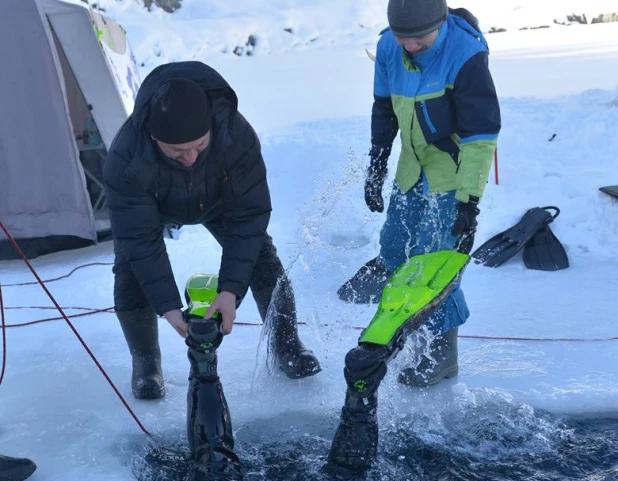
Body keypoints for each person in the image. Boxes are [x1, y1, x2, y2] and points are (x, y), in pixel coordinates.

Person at [103, 62, 321, 402]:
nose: (190, 157)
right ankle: (145, 363)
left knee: (262, 259)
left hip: (219, 200)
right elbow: (140, 241)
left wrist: (231, 290)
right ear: (153, 137)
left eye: (199, 147)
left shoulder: (235, 136)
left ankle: (287, 345)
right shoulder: (127, 156)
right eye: (177, 151)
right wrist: (169, 307)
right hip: (155, 206)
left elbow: (248, 219)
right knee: (130, 269)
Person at [339, 0, 501, 387]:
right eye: (402, 38)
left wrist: (469, 203)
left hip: (453, 172)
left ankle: (442, 356)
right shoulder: (388, 47)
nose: (409, 47)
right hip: (412, 168)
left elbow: (481, 138)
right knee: (395, 250)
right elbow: (384, 108)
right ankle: (410, 335)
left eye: (420, 40)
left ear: (440, 23)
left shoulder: (466, 55)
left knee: (436, 265)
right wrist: (377, 164)